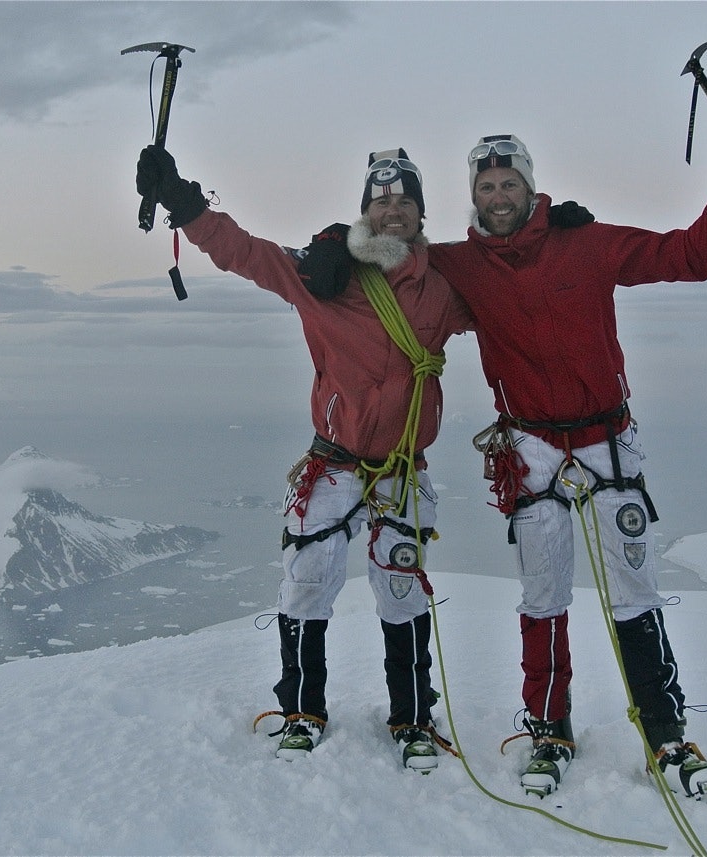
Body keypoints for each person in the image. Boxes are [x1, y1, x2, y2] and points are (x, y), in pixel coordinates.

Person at [298, 130, 707, 799]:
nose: (498, 198)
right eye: (486, 188)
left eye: (509, 185)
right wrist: (330, 243)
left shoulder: (590, 242)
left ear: (530, 187)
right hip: (531, 449)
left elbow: (685, 256)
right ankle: (549, 730)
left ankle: (664, 735)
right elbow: (393, 250)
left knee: (634, 592)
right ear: (475, 196)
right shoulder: (462, 264)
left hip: (606, 440)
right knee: (543, 595)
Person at [135, 144, 474, 771]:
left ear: (420, 212)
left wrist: (551, 232)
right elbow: (247, 253)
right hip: (336, 462)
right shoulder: (328, 276)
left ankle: (412, 719)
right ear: (365, 212)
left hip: (400, 469)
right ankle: (302, 712)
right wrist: (182, 201)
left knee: (401, 593)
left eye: (404, 200)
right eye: (381, 199)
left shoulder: (445, 288)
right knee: (307, 586)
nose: (393, 209)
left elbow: (517, 291)